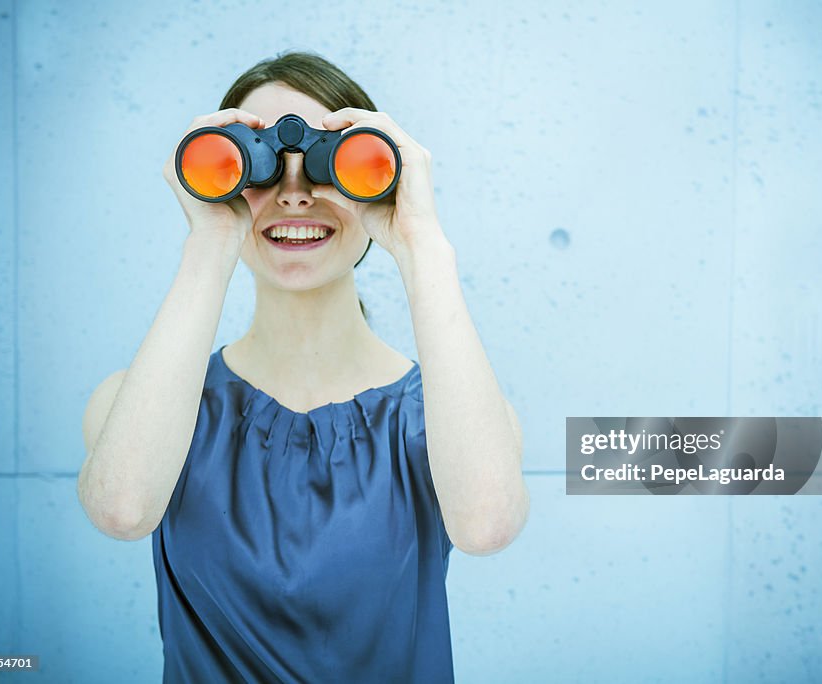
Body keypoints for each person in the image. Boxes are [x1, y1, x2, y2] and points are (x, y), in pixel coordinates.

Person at [76, 50, 530, 683]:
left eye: (328, 164)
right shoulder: (141, 404)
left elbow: (486, 526)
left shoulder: (443, 419)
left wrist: (421, 241)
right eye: (257, 165)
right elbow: (122, 509)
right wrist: (211, 240)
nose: (294, 196)